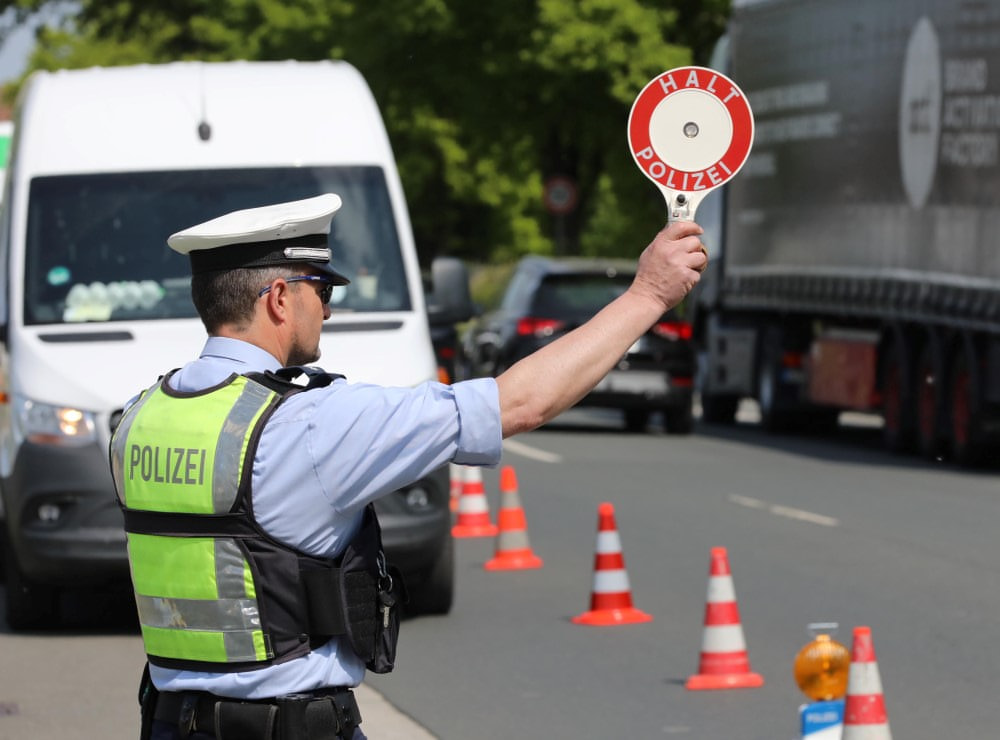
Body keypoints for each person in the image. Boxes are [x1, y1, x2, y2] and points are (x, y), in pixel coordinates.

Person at [109, 193, 706, 740]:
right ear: (279, 298)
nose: (329, 310)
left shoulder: (139, 418)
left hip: (169, 724)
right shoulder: (311, 425)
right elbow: (519, 403)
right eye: (323, 289)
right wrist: (647, 296)